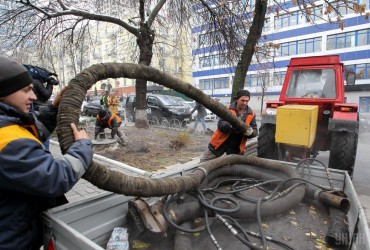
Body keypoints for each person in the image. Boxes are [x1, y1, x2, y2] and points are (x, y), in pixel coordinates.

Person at [0, 56, 93, 249]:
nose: (34, 97)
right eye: (26, 90)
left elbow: (25, 134)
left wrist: (52, 108)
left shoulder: (7, 127)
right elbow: (56, 178)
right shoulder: (6, 143)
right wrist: (83, 146)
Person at [200, 90, 258, 162]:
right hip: (220, 143)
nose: (245, 103)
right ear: (237, 99)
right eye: (242, 100)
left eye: (247, 101)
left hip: (236, 146)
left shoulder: (251, 114)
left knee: (237, 168)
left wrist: (250, 132)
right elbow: (221, 124)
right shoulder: (227, 109)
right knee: (203, 162)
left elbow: (255, 131)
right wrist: (230, 126)